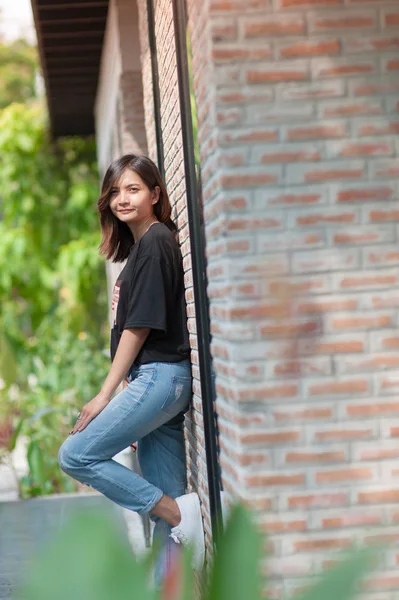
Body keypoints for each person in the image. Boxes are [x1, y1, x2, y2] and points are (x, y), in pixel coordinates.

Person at [58, 154, 205, 581]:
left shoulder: (157, 240)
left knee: (77, 454)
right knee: (166, 520)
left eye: (134, 189)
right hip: (156, 382)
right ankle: (171, 578)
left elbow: (139, 327)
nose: (122, 198)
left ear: (156, 194)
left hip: (160, 378)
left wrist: (107, 395)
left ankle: (178, 513)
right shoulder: (143, 247)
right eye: (116, 191)